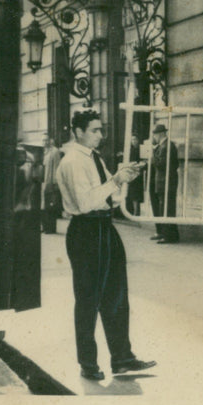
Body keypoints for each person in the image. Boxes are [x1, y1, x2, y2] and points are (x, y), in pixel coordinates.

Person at [56, 109, 156, 381]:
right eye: (94, 130)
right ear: (78, 132)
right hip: (87, 230)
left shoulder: (93, 158)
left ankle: (122, 358)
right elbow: (85, 202)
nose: (100, 135)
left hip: (103, 227)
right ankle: (88, 364)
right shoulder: (74, 161)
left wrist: (123, 177)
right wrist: (115, 180)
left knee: (116, 295)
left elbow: (109, 196)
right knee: (89, 299)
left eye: (101, 130)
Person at [149, 123, 179, 244]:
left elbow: (161, 164)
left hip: (166, 182)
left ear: (160, 134)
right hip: (163, 181)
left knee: (167, 209)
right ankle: (165, 233)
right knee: (164, 208)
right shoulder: (164, 146)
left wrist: (152, 154)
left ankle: (169, 236)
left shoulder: (166, 146)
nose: (154, 137)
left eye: (155, 134)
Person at [41, 135, 63, 233]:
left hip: (50, 182)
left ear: (50, 141)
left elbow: (57, 167)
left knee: (50, 206)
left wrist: (55, 182)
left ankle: (50, 228)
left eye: (46, 140)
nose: (45, 142)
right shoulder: (43, 151)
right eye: (43, 140)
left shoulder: (54, 151)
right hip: (43, 182)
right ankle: (44, 227)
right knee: (43, 206)